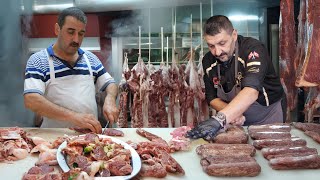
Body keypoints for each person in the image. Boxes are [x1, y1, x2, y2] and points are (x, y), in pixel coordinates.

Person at [187, 15, 286, 140]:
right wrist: (234, 114)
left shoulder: (253, 49)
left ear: (234, 35)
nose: (217, 52)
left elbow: (251, 91)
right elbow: (211, 98)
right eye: (211, 46)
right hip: (234, 122)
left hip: (267, 117)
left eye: (222, 43)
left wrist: (220, 119)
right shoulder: (208, 61)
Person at [23, 7, 119, 134]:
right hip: (54, 139)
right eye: (71, 32)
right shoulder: (39, 60)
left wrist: (110, 99)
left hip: (89, 139)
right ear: (57, 29)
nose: (76, 39)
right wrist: (75, 117)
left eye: (81, 33)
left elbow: (110, 84)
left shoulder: (90, 59)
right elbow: (31, 100)